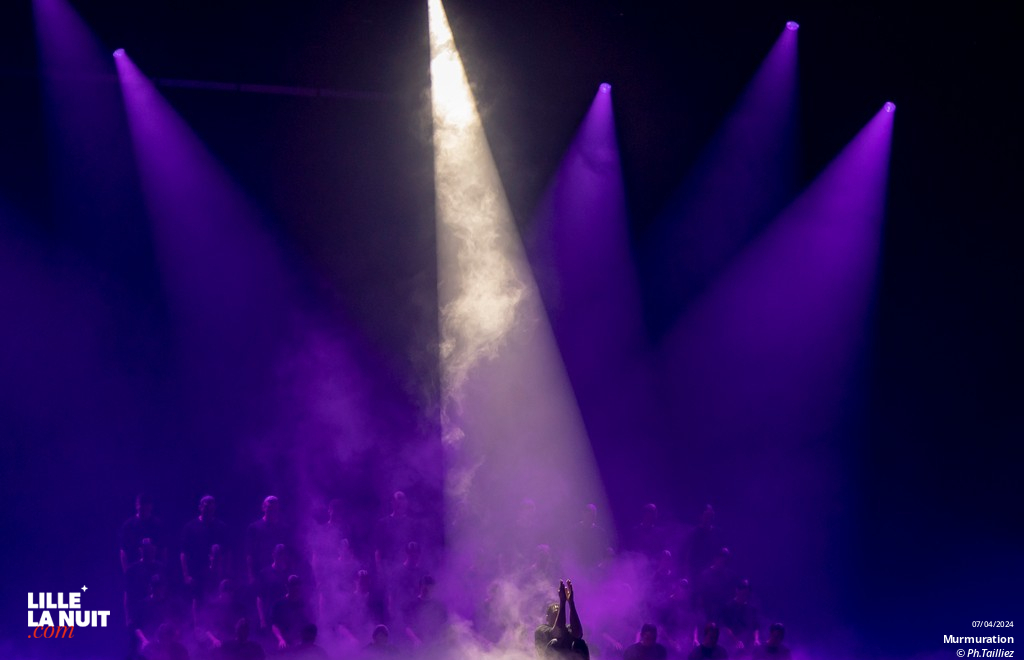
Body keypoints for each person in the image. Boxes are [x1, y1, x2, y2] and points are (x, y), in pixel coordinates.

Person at [534, 580, 588, 659]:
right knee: (555, 643)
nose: (557, 617)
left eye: (559, 615)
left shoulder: (568, 629)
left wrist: (571, 603)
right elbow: (557, 633)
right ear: (547, 618)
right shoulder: (541, 629)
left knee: (580, 643)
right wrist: (562, 602)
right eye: (554, 615)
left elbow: (578, 633)